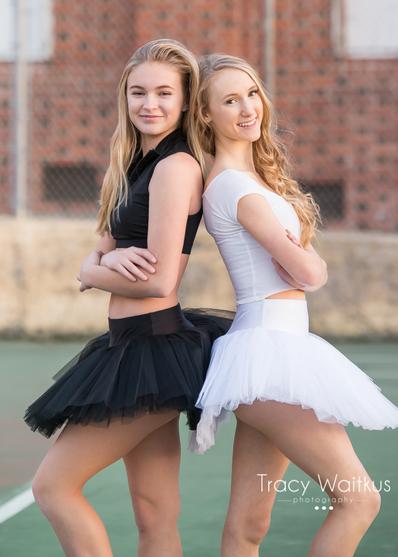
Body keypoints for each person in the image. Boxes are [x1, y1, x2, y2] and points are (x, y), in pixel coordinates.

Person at [24, 40, 230, 557]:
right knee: (154, 514)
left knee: (53, 487)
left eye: (164, 93)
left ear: (186, 102)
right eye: (138, 92)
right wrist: (103, 264)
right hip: (128, 344)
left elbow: (159, 281)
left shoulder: (175, 167)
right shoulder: (136, 165)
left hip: (152, 348)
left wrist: (98, 270)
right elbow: (91, 262)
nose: (150, 104)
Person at [190, 53, 398, 557]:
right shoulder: (236, 188)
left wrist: (304, 261)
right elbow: (308, 272)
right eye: (230, 100)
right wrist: (311, 263)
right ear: (205, 115)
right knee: (360, 501)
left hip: (273, 352)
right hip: (270, 353)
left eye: (252, 94)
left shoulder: (249, 181)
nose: (247, 108)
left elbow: (302, 269)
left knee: (248, 527)